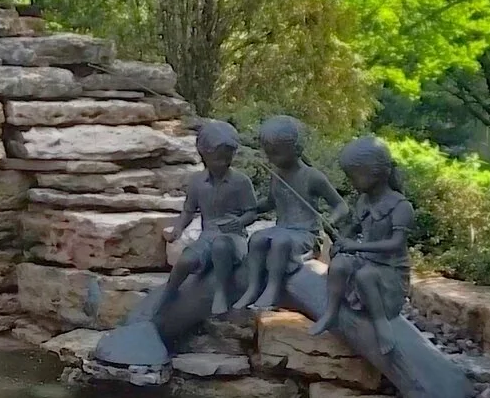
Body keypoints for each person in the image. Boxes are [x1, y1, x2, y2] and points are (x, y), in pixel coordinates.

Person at [310, 136, 414, 336]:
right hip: (366, 262)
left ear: (372, 173)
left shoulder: (400, 206)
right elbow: (354, 229)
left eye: (353, 176)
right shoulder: (363, 201)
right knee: (339, 265)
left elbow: (396, 244)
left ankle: (381, 324)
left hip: (390, 272)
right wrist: (339, 239)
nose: (350, 182)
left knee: (365, 276)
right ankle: (331, 313)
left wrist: (355, 247)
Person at [237, 115, 341, 313]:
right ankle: (253, 287)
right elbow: (270, 202)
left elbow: (341, 206)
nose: (271, 159)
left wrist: (331, 220)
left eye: (276, 154)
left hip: (305, 233)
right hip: (283, 228)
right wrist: (250, 208)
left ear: (295, 148)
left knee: (280, 243)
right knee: (257, 239)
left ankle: (273, 288)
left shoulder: (312, 176)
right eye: (268, 154)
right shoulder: (277, 175)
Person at [160, 119, 258, 316]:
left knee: (221, 246)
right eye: (218, 159)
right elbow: (189, 210)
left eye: (227, 159)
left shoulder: (240, 182)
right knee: (186, 260)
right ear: (203, 155)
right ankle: (168, 292)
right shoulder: (197, 182)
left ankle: (221, 293)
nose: (223, 163)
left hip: (233, 237)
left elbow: (252, 212)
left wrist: (239, 222)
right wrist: (178, 229)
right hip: (207, 236)